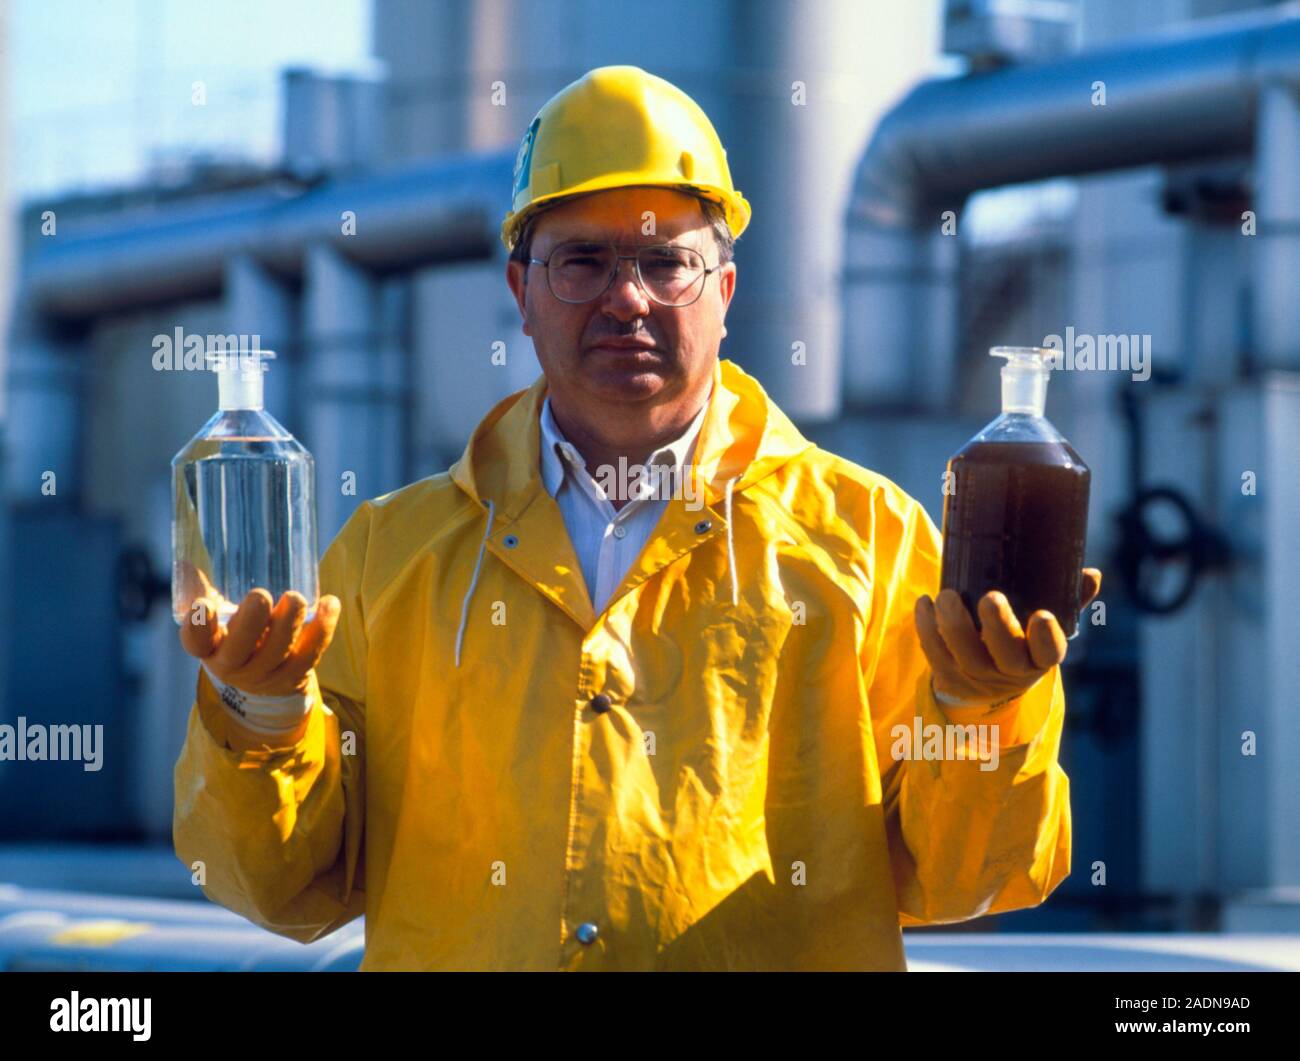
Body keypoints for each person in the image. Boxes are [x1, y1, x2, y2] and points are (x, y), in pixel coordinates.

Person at [173, 65, 1101, 971]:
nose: (628, 298)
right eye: (583, 261)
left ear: (726, 293)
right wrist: (263, 711)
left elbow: (964, 880)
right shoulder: (391, 553)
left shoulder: (868, 540)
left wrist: (982, 711)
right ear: (521, 293)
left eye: (668, 263)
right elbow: (284, 888)